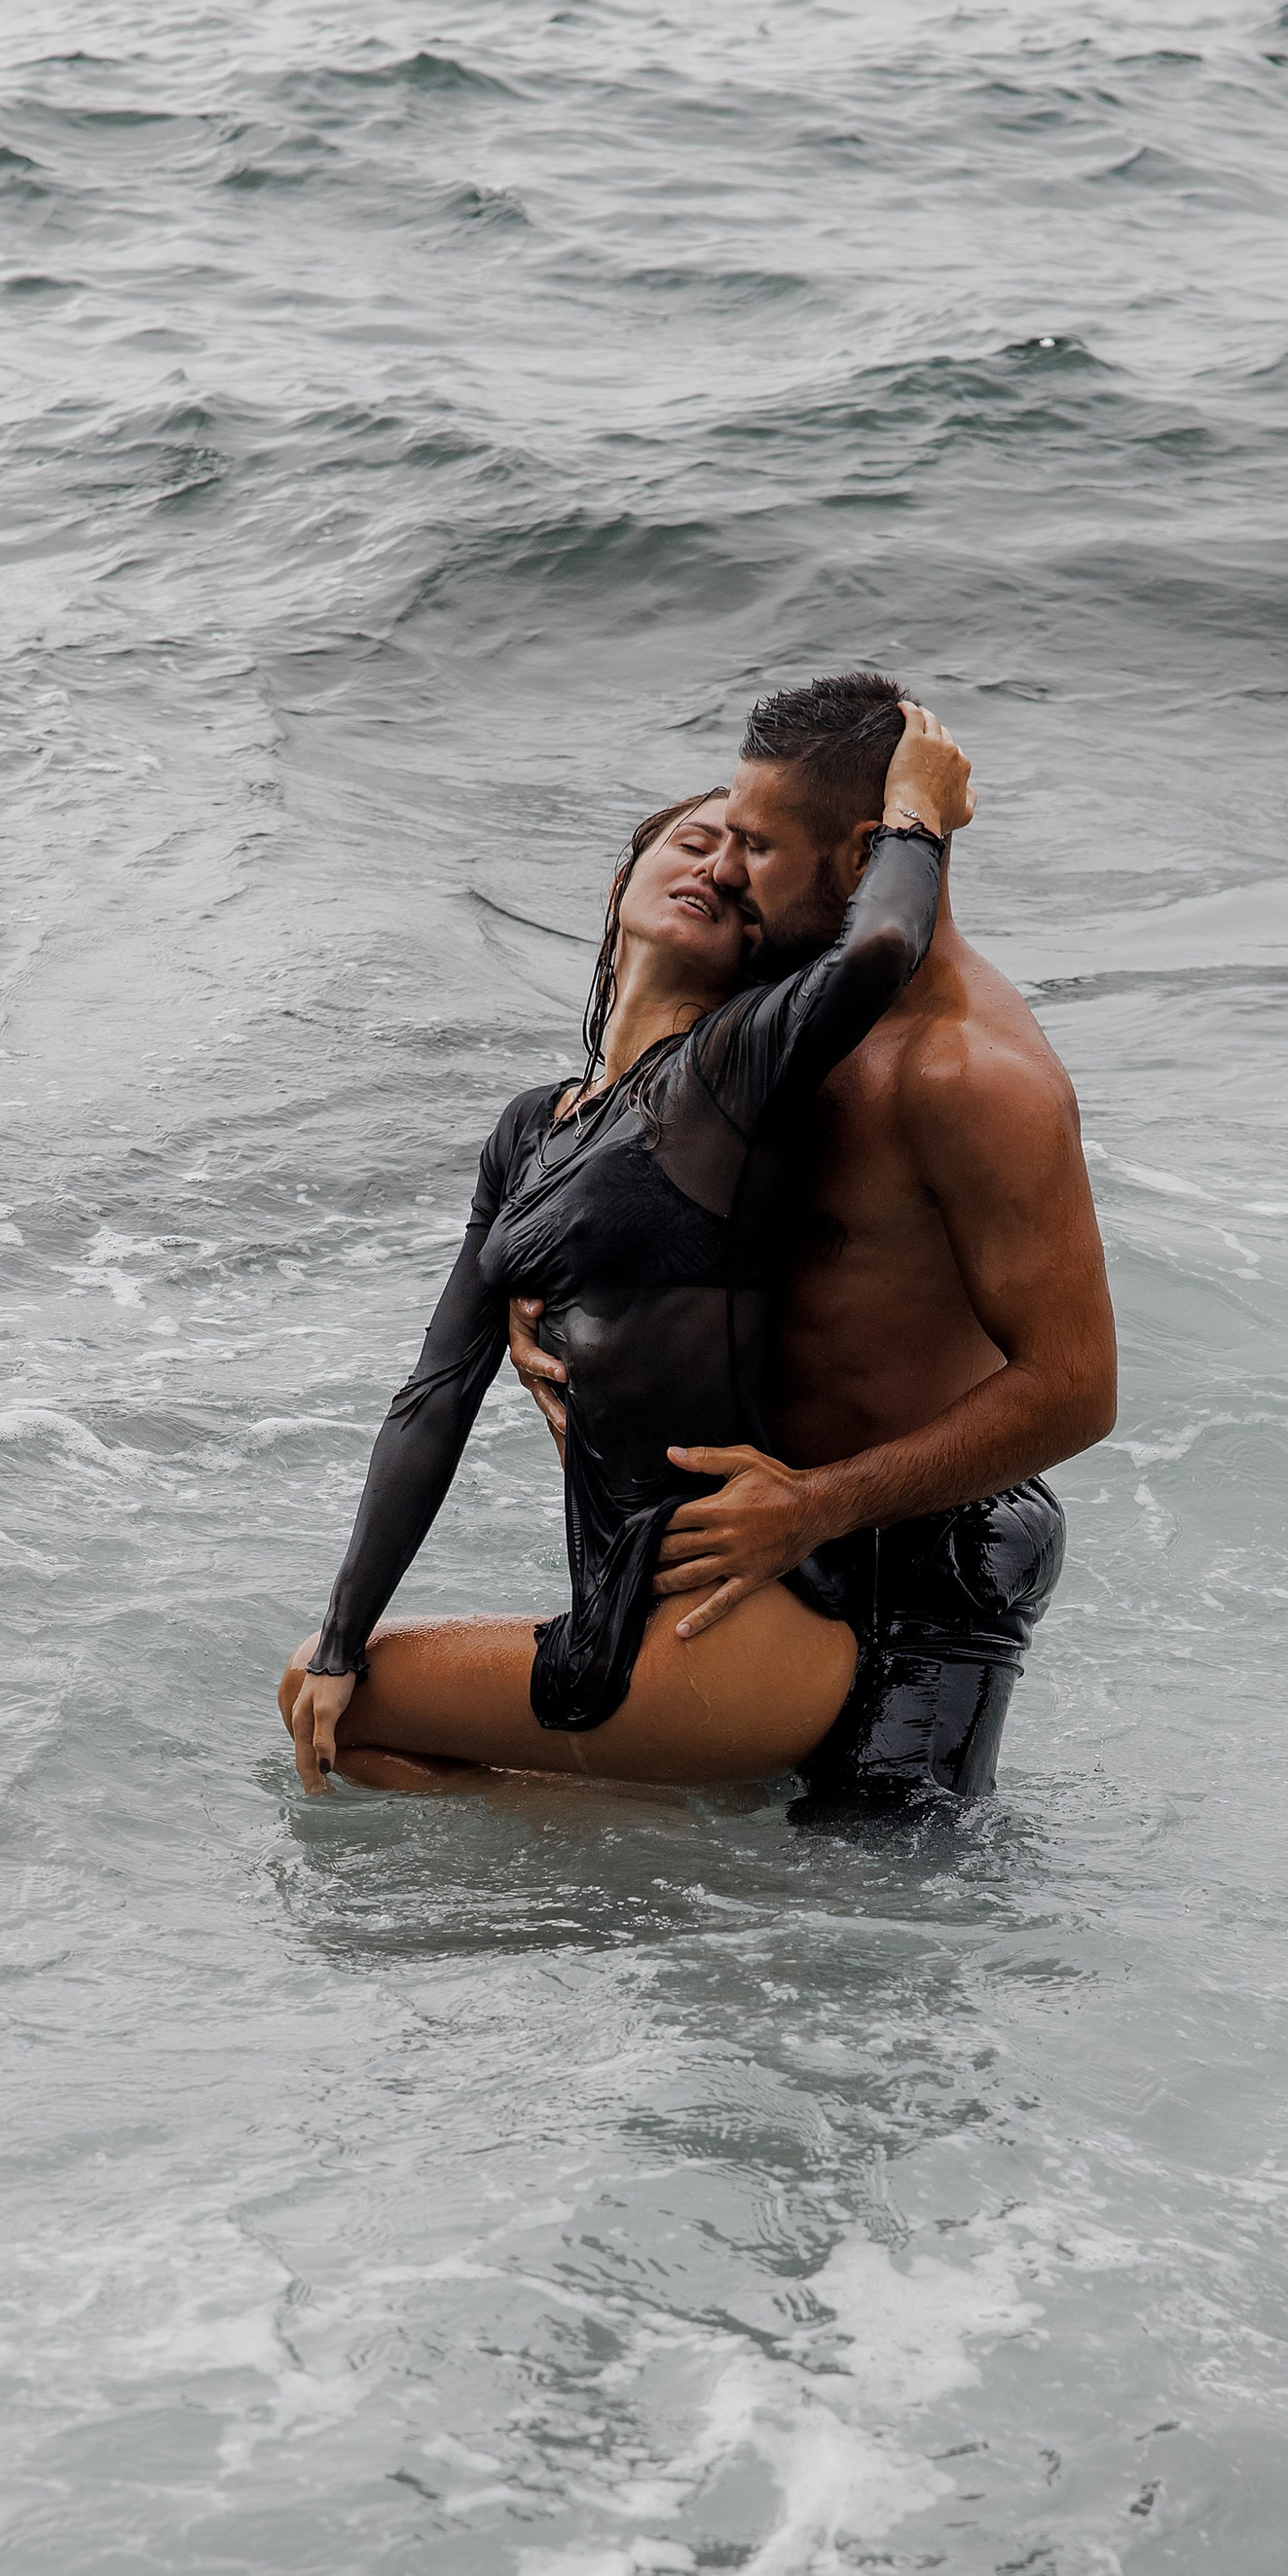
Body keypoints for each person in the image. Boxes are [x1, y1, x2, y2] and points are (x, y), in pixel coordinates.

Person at [276, 707, 974, 1794]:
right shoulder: (531, 1128)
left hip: (740, 1624)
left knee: (339, 1717)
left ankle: (641, 1875)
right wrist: (340, 1628)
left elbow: (880, 946)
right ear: (624, 879)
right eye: (695, 843)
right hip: (630, 1608)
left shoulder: (728, 1072)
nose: (720, 871)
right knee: (333, 1695)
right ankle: (650, 1877)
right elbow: (433, 1394)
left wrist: (915, 817)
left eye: (748, 874)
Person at [509, 671, 1116, 1819]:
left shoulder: (972, 1076)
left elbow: (1076, 1391)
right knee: (696, 1893)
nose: (726, 871)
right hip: (752, 1534)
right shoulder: (786, 998)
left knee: (868, 1927)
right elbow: (619, 1140)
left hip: (914, 1555)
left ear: (858, 859)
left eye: (758, 847)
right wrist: (528, 1282)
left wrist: (816, 1505)